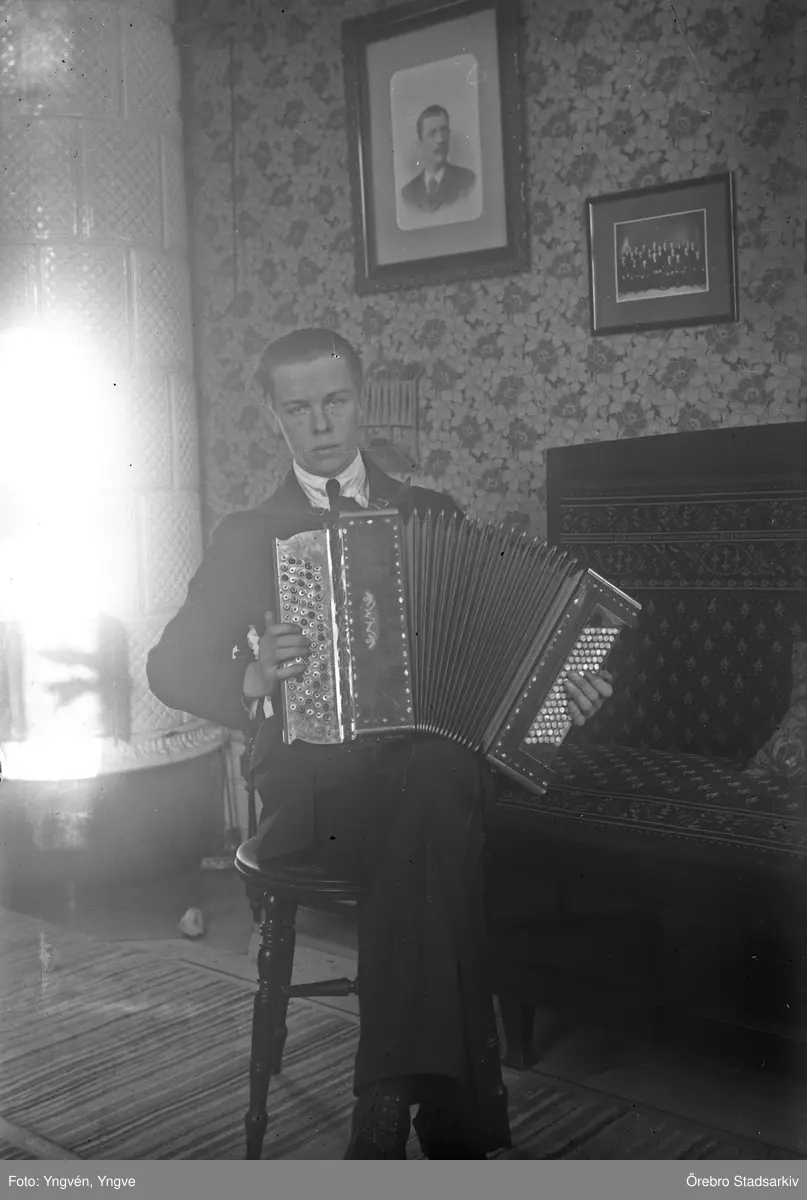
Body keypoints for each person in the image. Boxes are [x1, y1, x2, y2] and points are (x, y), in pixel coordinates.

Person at [146, 328, 613, 1160]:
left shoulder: (430, 513)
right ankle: (456, 1126)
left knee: (432, 770)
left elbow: (492, 672)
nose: (320, 424)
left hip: (427, 787)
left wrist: (557, 701)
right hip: (315, 796)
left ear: (361, 402)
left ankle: (385, 1104)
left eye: (335, 401)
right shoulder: (248, 535)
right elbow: (168, 665)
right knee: (438, 803)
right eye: (298, 409)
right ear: (274, 417)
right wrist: (252, 676)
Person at [400, 105, 477, 214]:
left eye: (444, 131)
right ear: (420, 143)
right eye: (432, 134)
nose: (440, 139)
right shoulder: (408, 193)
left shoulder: (467, 180)